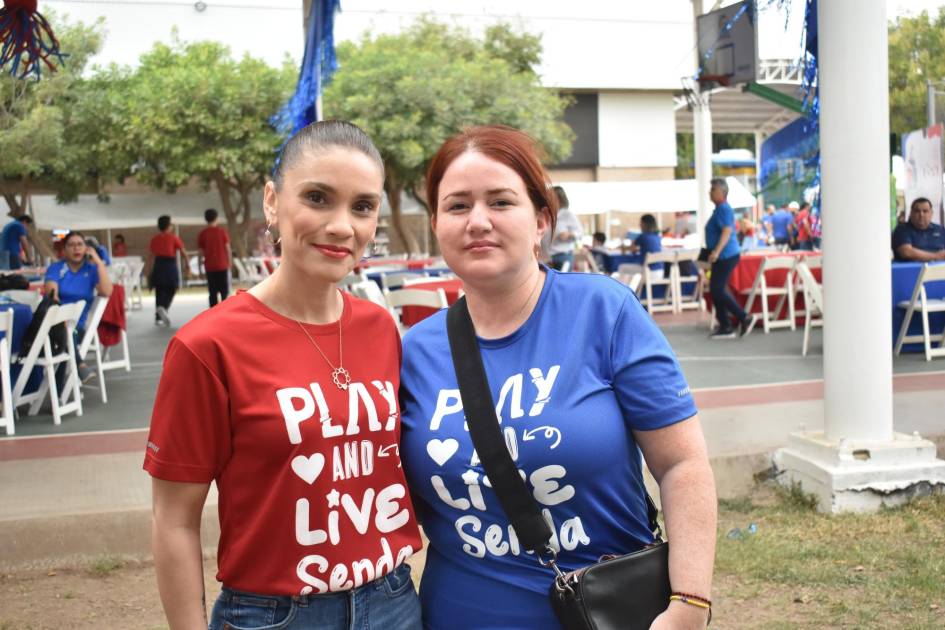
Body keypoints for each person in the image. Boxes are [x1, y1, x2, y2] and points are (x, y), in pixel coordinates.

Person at [400, 125, 717, 630]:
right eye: (458, 206)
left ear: (541, 220)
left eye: (501, 202)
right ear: (437, 223)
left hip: (606, 613)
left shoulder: (603, 312)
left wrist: (689, 603)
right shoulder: (414, 351)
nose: (478, 221)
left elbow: (682, 463)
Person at [144, 121, 423, 630]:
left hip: (393, 602)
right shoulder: (207, 346)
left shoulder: (381, 328)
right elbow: (174, 519)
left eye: (362, 206)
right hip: (274, 615)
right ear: (272, 201)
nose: (342, 226)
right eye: (317, 198)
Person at [44, 231, 113, 382]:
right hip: (55, 322)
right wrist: (62, 317)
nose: (76, 248)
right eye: (71, 245)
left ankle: (60, 389)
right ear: (64, 249)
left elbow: (107, 291)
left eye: (80, 244)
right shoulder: (56, 268)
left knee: (64, 338)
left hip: (77, 326)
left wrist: (99, 262)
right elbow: (52, 296)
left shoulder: (91, 270)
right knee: (62, 335)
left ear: (86, 248)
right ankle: (79, 364)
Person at [705, 178, 756, 339]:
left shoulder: (724, 209)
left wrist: (716, 252)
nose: (710, 192)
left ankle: (742, 317)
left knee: (717, 289)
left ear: (722, 192)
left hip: (725, 255)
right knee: (715, 289)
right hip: (722, 255)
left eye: (713, 189)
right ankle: (725, 324)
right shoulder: (719, 209)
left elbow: (727, 231)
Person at [146, 215, 187, 327]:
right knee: (172, 287)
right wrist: (187, 264)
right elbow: (183, 252)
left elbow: (150, 256)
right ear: (168, 226)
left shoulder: (155, 239)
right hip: (170, 265)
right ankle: (164, 307)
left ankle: (158, 317)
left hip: (158, 264)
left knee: (159, 290)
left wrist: (148, 269)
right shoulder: (173, 238)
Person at [197, 208, 232, 307]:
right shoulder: (222, 232)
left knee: (212, 293)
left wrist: (199, 269)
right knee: (224, 292)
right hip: (222, 266)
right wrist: (230, 263)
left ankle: (213, 312)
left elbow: (200, 253)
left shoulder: (203, 234)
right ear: (216, 218)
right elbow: (228, 249)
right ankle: (225, 311)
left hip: (210, 267)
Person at [892, 197, 945, 261]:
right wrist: (936, 256)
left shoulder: (940, 229)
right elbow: (907, 252)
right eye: (917, 211)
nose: (921, 215)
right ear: (911, 213)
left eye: (925, 211)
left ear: (931, 213)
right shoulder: (902, 229)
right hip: (912, 267)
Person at [548, 185, 583, 270]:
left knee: (562, 277)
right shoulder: (549, 215)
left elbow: (580, 233)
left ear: (560, 199)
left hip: (563, 256)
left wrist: (568, 234)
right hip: (548, 257)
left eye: (552, 197)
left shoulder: (567, 214)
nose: (549, 199)